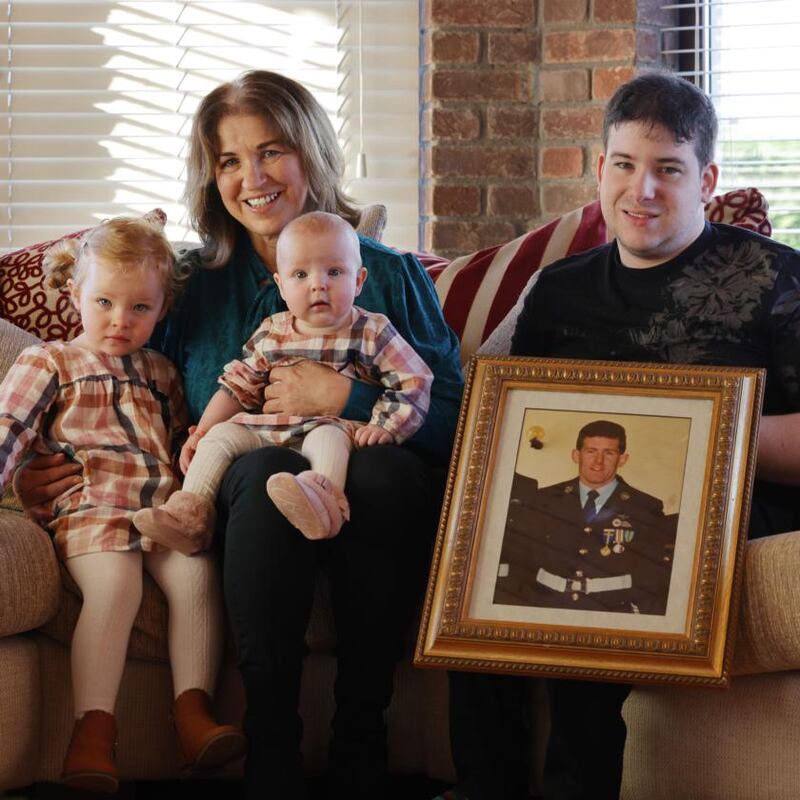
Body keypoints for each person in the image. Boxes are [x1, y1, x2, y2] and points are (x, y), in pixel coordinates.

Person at [18, 71, 463, 800]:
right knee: (255, 479)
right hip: (245, 488)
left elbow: (457, 415)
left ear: (310, 153)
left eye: (271, 151)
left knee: (370, 474)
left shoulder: (384, 275)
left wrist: (346, 396)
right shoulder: (196, 285)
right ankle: (272, 750)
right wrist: (42, 466)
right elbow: (125, 384)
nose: (251, 177)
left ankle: (361, 739)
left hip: (376, 485)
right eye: (229, 160)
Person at [439, 70, 800, 800]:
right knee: (480, 540)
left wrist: (705, 436)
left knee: (604, 542)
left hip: (735, 507)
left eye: (668, 169)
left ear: (706, 178)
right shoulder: (557, 289)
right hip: (589, 496)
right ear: (599, 169)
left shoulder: (777, 278)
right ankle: (488, 786)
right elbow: (495, 420)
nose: (643, 191)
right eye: (626, 166)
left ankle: (580, 787)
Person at [0, 217, 246, 794]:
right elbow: (9, 429)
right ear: (76, 294)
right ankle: (92, 733)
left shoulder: (161, 372)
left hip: (159, 511)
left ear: (162, 310)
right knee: (116, 585)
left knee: (196, 578)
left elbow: (181, 441)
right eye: (105, 301)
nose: (120, 320)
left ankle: (192, 715)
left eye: (140, 307)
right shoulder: (50, 362)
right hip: (90, 508)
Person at [133, 210, 433, 545]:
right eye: (301, 274)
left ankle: (323, 505)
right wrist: (202, 431)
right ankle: (190, 516)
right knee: (220, 437)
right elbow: (238, 385)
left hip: (330, 424)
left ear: (359, 280)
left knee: (328, 441)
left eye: (334, 272)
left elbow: (414, 379)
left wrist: (385, 425)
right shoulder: (273, 331)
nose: (318, 284)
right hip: (270, 429)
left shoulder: (371, 331)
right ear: (282, 286)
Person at [494, 420, 677, 615]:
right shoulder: (542, 499)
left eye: (608, 453)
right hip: (544, 606)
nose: (598, 462)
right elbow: (520, 561)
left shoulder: (645, 507)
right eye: (591, 451)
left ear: (622, 459)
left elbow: (655, 576)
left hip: (610, 610)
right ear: (576, 455)